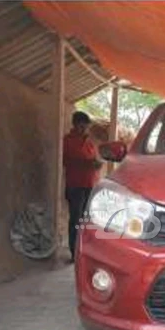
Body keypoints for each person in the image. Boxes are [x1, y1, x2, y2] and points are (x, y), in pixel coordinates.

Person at [63, 111, 103, 262]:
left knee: (87, 221)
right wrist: (88, 163)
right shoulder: (68, 141)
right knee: (75, 220)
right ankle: (75, 253)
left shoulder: (89, 143)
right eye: (81, 126)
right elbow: (69, 160)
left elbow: (92, 159)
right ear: (75, 124)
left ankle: (85, 251)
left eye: (86, 127)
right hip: (75, 185)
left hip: (89, 185)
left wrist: (96, 164)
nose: (84, 129)